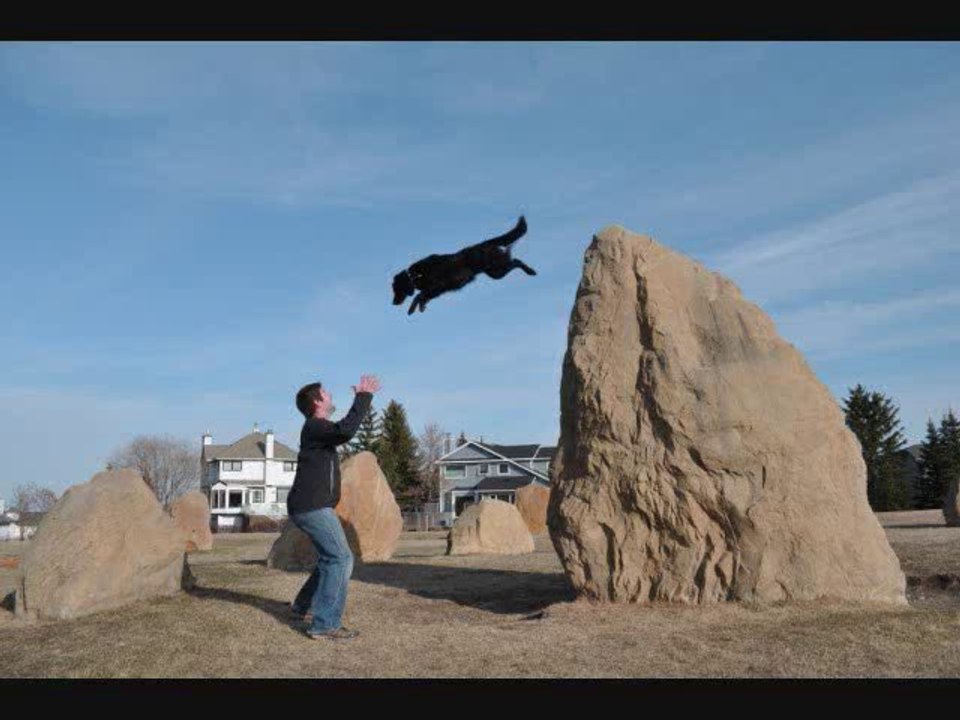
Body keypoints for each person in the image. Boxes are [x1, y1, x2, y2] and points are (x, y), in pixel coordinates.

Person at [286, 374, 381, 640]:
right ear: (317, 401)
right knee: (341, 558)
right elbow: (346, 430)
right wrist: (363, 397)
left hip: (309, 506)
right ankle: (325, 624)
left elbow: (340, 431)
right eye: (326, 393)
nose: (330, 395)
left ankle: (302, 606)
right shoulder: (315, 426)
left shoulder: (317, 430)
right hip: (311, 507)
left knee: (329, 558)